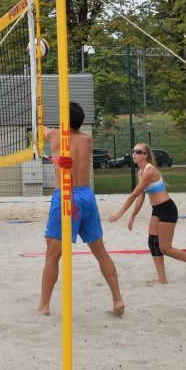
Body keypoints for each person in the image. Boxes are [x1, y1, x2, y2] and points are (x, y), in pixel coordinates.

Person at [38, 102, 125, 317]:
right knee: (101, 252)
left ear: (64, 121)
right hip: (87, 196)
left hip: (66, 195)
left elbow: (42, 129)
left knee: (52, 255)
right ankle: (118, 300)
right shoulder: (87, 139)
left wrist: (39, 118)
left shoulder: (56, 137)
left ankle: (44, 305)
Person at [109, 143, 186, 284]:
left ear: (145, 155)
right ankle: (162, 278)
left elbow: (134, 194)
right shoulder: (140, 172)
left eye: (138, 151)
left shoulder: (150, 171)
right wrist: (133, 215)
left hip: (167, 209)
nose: (134, 153)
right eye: (133, 151)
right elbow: (140, 197)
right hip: (157, 210)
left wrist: (120, 213)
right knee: (153, 243)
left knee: (165, 248)